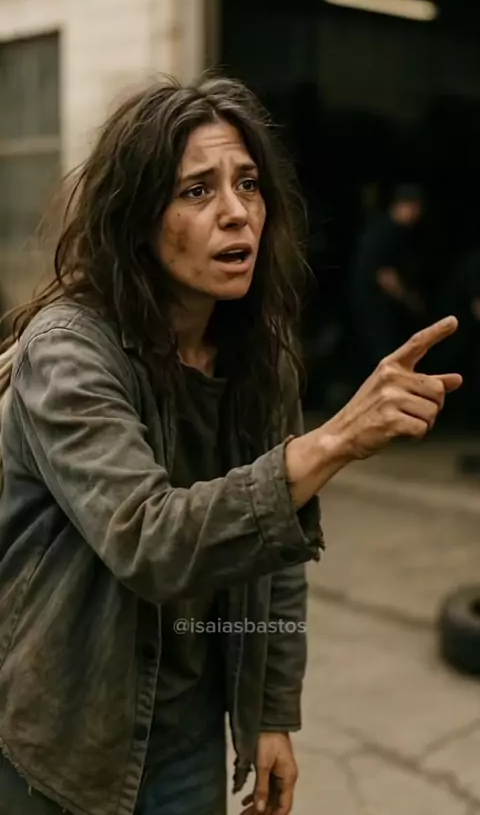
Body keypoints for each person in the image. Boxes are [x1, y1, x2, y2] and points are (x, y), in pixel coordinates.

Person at [0, 75, 462, 815]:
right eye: (196, 191)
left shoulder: (258, 361)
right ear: (138, 217)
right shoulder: (68, 354)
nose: (236, 212)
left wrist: (273, 713)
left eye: (248, 184)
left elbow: (277, 554)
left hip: (188, 736)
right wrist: (334, 440)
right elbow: (149, 539)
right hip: (60, 735)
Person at [350, 183, 428, 373]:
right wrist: (409, 300)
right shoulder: (388, 231)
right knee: (383, 356)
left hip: (371, 304)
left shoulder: (387, 228)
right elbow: (384, 275)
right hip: (373, 304)